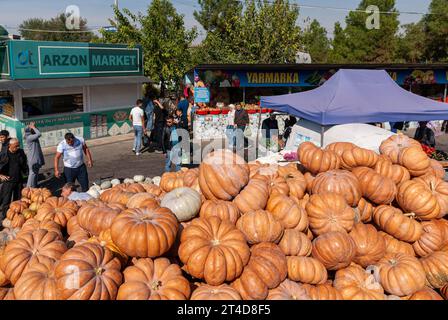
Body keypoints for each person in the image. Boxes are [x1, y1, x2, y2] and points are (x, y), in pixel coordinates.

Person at [0, 139, 28, 223]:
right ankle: (4, 218)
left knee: (18, 201)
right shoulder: (3, 154)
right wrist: (0, 175)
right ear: (10, 146)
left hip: (18, 179)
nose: (18, 147)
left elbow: (24, 163)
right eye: (16, 146)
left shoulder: (20, 152)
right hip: (8, 181)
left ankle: (17, 218)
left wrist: (26, 172)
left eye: (18, 145)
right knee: (6, 201)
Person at [24, 122, 45, 188]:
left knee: (35, 172)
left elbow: (37, 132)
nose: (34, 128)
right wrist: (33, 127)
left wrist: (33, 127)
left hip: (35, 157)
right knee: (32, 173)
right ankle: (29, 188)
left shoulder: (31, 136)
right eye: (32, 128)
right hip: (33, 158)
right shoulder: (30, 137)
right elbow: (39, 134)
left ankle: (34, 185)